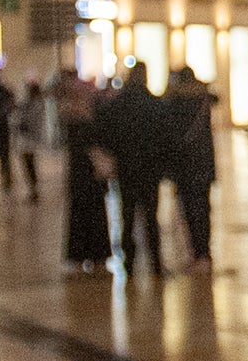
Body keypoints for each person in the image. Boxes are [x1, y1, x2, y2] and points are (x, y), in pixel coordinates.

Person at [94, 63, 168, 272]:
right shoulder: (154, 105)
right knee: (151, 217)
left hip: (126, 168)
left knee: (127, 215)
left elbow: (103, 132)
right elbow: (164, 137)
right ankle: (156, 263)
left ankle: (128, 261)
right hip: (149, 169)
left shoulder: (117, 104)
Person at [56, 69, 113, 274]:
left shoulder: (79, 115)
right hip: (84, 172)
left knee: (90, 211)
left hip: (87, 172)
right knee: (85, 211)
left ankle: (91, 256)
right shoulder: (76, 116)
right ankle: (89, 256)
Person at [163, 71, 220, 267]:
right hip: (203, 163)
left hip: (184, 164)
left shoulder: (174, 102)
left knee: (189, 209)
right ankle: (204, 251)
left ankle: (196, 252)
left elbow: (170, 134)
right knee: (203, 208)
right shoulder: (203, 100)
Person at [12, 77, 53, 202]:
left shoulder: (34, 105)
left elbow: (28, 122)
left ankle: (33, 190)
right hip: (28, 138)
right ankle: (32, 189)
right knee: (28, 165)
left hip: (29, 139)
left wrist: (20, 123)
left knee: (29, 165)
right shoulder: (32, 103)